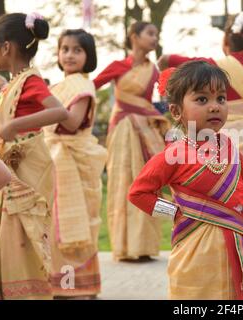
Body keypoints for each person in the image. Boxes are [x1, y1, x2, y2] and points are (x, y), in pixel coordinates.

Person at [128, 61, 243, 300]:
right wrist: (176, 213)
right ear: (176, 111)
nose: (215, 107)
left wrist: (232, 214)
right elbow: (138, 194)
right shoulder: (172, 155)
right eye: (202, 100)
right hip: (193, 248)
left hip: (236, 248)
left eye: (221, 98)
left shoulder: (230, 148)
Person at [158, 12, 243, 259]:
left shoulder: (216, 65)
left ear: (228, 40)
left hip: (222, 133)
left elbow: (167, 59)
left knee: (220, 191)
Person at [0, 12, 68, 299]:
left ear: (6, 48)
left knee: (23, 231)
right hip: (12, 165)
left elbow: (60, 111)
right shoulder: (14, 82)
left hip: (27, 167)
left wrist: (13, 125)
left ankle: (28, 292)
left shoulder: (30, 80)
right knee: (10, 232)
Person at [93, 21, 170, 261]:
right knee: (121, 183)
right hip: (123, 130)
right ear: (134, 37)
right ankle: (125, 247)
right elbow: (90, 87)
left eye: (156, 34)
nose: (154, 38)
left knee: (146, 182)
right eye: (150, 33)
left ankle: (144, 247)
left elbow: (162, 97)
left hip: (145, 131)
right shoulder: (118, 66)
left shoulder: (154, 71)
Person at [44, 29, 107, 299]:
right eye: (65, 49)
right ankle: (61, 285)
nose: (69, 55)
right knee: (55, 225)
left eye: (77, 50)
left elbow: (70, 121)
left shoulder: (81, 86)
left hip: (74, 160)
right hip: (56, 159)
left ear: (88, 56)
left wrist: (41, 100)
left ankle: (78, 288)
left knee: (76, 226)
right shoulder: (60, 86)